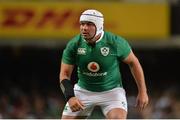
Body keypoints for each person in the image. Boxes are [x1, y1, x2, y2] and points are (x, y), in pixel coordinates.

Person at [59, 9, 149, 119]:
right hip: (83, 91)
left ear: (99, 26)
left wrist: (142, 91)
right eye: (82, 24)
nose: (84, 28)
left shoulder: (115, 42)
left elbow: (134, 63)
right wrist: (70, 97)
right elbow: (64, 74)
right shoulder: (74, 44)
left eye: (89, 24)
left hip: (112, 91)